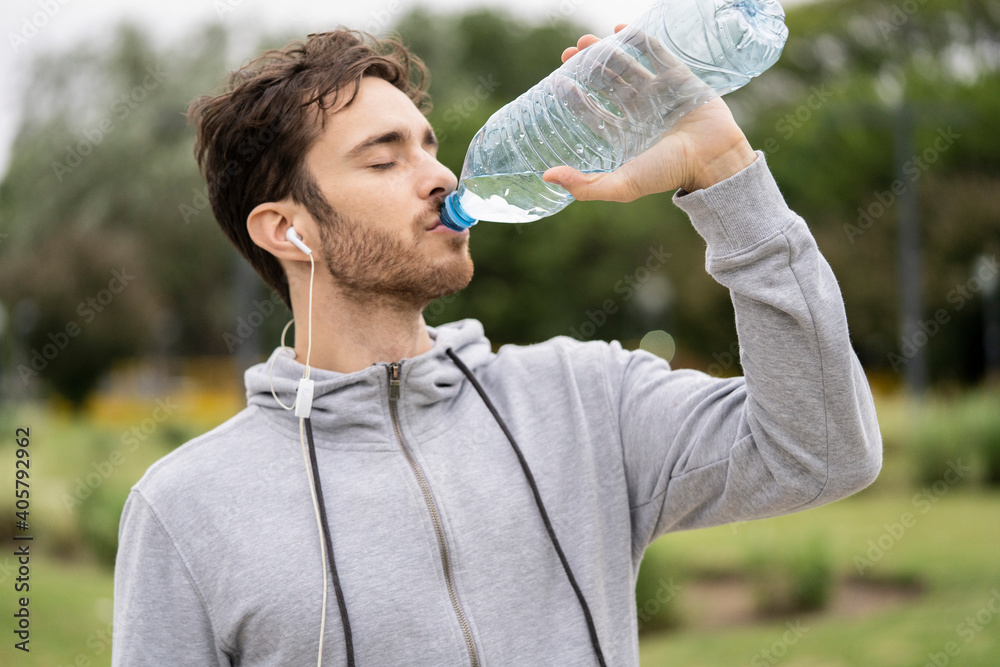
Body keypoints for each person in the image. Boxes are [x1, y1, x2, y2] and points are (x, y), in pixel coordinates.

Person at [112, 26, 882, 667]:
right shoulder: (186, 507)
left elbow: (822, 451)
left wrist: (727, 177)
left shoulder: (584, 399)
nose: (439, 173)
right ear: (287, 229)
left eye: (429, 145)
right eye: (385, 158)